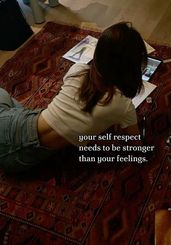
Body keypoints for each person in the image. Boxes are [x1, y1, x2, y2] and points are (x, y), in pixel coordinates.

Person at [0, 22, 147, 174]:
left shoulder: (78, 70)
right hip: (19, 161)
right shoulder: (123, 105)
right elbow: (137, 145)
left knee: (3, 95)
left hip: (17, 124)